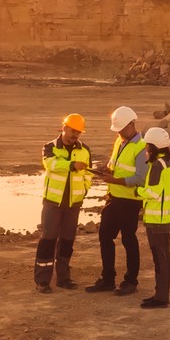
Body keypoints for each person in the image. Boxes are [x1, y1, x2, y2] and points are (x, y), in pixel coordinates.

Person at [87, 104, 144, 296]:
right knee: (105, 236)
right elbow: (116, 166)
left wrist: (114, 180)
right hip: (113, 199)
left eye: (121, 129)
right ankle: (108, 279)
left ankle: (130, 281)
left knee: (129, 240)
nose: (118, 132)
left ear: (132, 124)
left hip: (129, 202)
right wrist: (107, 171)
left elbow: (140, 178)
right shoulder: (119, 142)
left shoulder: (141, 147)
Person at [34, 113, 93, 293]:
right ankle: (42, 280)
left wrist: (83, 191)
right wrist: (71, 165)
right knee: (48, 239)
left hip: (73, 203)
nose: (75, 135)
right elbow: (50, 164)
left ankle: (63, 277)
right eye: (72, 130)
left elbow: (88, 174)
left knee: (67, 241)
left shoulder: (85, 150)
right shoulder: (50, 147)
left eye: (78, 132)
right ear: (64, 127)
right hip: (53, 202)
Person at [136, 126, 170, 309]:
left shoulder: (156, 167)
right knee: (163, 259)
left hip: (156, 221)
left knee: (160, 260)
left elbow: (152, 193)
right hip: (164, 219)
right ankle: (160, 294)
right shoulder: (168, 165)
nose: (146, 151)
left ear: (153, 148)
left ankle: (161, 298)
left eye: (147, 148)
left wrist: (137, 191)